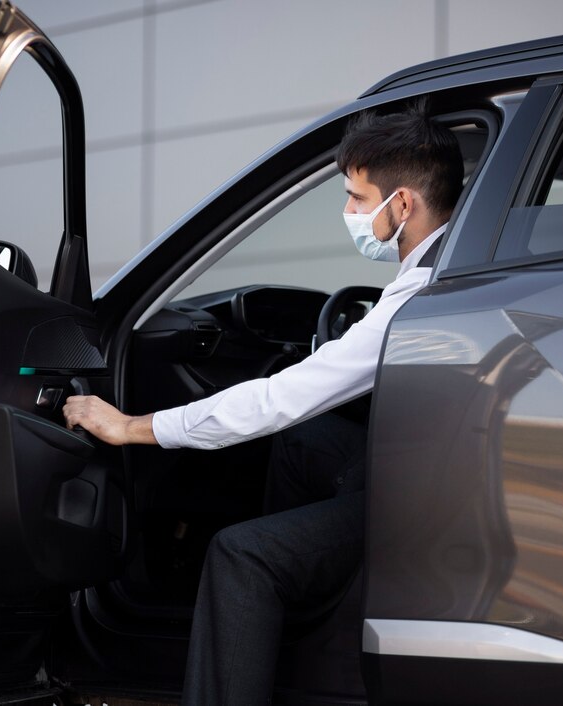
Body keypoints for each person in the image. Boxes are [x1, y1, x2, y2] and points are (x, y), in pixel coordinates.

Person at [63, 102, 464, 705]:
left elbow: (280, 398)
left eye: (357, 198)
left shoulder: (420, 298)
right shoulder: (449, 265)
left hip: (416, 501)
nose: (350, 213)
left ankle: (263, 589)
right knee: (303, 440)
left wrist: (134, 426)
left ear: (401, 204)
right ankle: (286, 611)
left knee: (240, 553)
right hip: (418, 468)